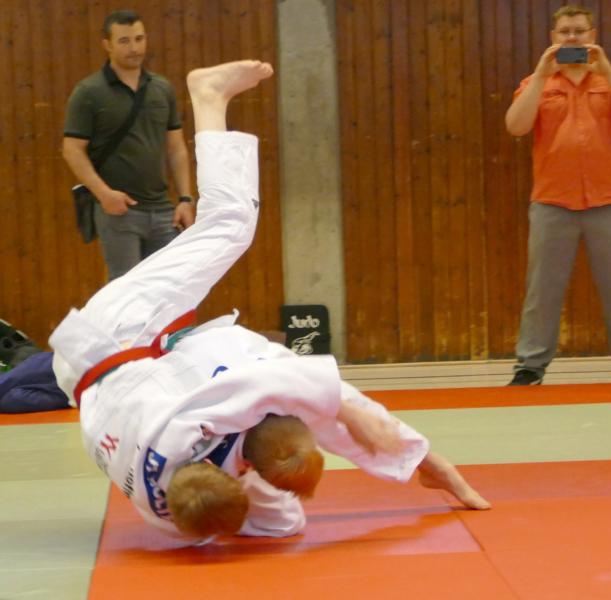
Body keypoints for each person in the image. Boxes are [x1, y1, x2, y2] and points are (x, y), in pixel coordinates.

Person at [50, 60, 489, 544]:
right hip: (87, 372)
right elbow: (284, 521)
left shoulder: (204, 422)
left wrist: (413, 454)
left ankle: (210, 98)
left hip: (121, 332)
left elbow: (311, 394)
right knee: (273, 372)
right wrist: (408, 455)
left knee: (231, 224)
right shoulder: (164, 513)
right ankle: (209, 97)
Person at [505, 4, 611, 386]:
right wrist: (541, 76)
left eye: (579, 31)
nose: (572, 37)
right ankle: (530, 366)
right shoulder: (536, 82)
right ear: (553, 38)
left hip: (607, 201)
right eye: (565, 32)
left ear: (593, 36)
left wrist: (606, 71)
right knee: (542, 289)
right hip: (552, 202)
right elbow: (516, 126)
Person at [62, 10, 195, 280]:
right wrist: (104, 194)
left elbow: (176, 148)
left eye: (139, 39)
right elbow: (72, 150)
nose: (134, 48)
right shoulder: (89, 92)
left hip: (163, 211)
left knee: (168, 287)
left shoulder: (162, 88)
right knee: (126, 290)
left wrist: (185, 199)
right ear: (107, 44)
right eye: (124, 41)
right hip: (119, 212)